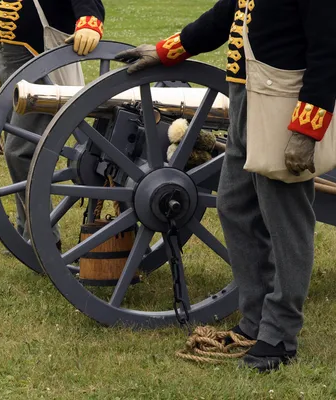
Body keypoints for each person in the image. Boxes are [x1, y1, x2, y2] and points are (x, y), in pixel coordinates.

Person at [116, 0, 335, 372]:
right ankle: (254, 320)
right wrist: (167, 50)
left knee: (286, 222)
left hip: (284, 104)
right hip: (245, 97)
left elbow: (329, 51)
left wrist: (306, 130)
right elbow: (224, 16)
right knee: (234, 206)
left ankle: (280, 335)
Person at [0, 0, 105, 248]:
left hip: (38, 67)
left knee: (20, 152)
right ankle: (26, 229)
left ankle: (44, 236)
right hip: (11, 65)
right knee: (16, 156)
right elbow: (4, 12)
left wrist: (89, 24)